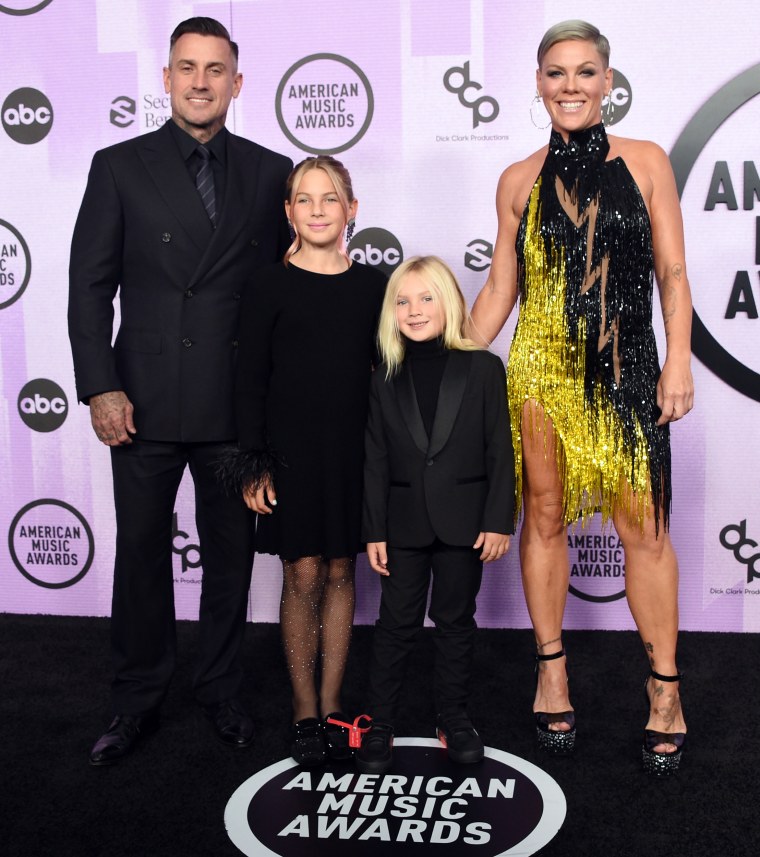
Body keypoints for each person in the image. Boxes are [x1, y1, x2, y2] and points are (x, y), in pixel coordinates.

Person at [469, 20, 693, 775]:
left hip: (631, 372)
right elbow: (503, 286)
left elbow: (673, 274)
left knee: (647, 530)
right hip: (542, 374)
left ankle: (664, 687)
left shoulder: (649, 162)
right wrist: (453, 363)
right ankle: (551, 667)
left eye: (585, 72)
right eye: (557, 73)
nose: (571, 85)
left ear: (607, 82)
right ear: (538, 83)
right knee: (543, 517)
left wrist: (679, 361)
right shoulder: (515, 179)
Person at [68, 17, 292, 766]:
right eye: (186, 68)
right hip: (143, 401)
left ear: (237, 81)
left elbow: (280, 294)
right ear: (165, 80)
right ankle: (135, 700)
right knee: (139, 554)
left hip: (233, 405)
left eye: (215, 68)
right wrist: (101, 385)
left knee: (231, 554)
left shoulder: (271, 172)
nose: (201, 81)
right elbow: (89, 285)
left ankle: (221, 689)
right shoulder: (119, 165)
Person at [219, 156, 387, 767]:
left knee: (343, 571)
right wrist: (254, 462)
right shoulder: (267, 283)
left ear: (352, 209)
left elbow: (386, 374)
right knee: (303, 573)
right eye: (305, 199)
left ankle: (334, 699)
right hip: (288, 452)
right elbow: (249, 381)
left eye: (330, 198)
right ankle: (303, 708)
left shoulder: (374, 286)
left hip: (352, 449)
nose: (318, 210)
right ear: (287, 211)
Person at [356, 256, 515, 775]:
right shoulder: (384, 375)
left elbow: (499, 450)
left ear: (449, 300)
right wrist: (374, 528)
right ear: (390, 312)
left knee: (454, 621)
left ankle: (454, 715)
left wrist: (497, 519)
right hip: (401, 525)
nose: (414, 310)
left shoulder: (485, 367)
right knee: (396, 624)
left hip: (465, 523)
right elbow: (375, 457)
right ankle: (381, 721)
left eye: (426, 298)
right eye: (402, 301)